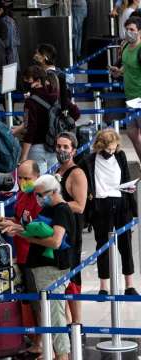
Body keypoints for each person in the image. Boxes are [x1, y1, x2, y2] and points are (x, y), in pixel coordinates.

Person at [0, 175, 74, 360]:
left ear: (53, 191)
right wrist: (17, 228)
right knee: (49, 314)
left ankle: (63, 355)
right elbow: (38, 229)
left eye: (40, 194)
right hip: (42, 268)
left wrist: (26, 237)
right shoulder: (49, 208)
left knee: (55, 315)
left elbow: (55, 241)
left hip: (52, 269)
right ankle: (54, 352)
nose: (38, 198)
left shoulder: (61, 210)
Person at [80, 129, 138, 295]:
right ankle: (103, 286)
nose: (111, 152)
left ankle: (129, 285)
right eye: (108, 149)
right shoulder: (89, 161)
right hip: (101, 206)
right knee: (102, 246)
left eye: (114, 149)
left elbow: (126, 178)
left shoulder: (120, 156)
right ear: (99, 146)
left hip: (121, 204)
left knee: (126, 244)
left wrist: (130, 189)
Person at [54, 132, 87, 324]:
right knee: (61, 276)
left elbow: (80, 205)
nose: (61, 150)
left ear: (73, 150)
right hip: (59, 230)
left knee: (73, 277)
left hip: (71, 233)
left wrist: (58, 202)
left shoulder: (77, 173)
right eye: (59, 146)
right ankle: (66, 321)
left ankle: (77, 323)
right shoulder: (57, 170)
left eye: (66, 147)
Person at [18, 65, 59, 174]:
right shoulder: (55, 97)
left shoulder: (30, 101)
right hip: (54, 146)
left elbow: (30, 129)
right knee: (52, 185)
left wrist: (23, 156)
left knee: (37, 185)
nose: (25, 82)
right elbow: (75, 113)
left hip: (36, 148)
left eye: (28, 79)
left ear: (38, 81)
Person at [111, 17, 141, 161]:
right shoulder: (125, 46)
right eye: (127, 29)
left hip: (140, 96)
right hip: (130, 96)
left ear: (139, 32)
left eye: (132, 30)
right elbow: (128, 66)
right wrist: (119, 71)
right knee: (132, 133)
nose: (129, 32)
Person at [0, 1, 21, 69]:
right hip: (10, 55)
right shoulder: (7, 20)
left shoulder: (6, 21)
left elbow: (8, 42)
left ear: (0, 10)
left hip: (8, 56)